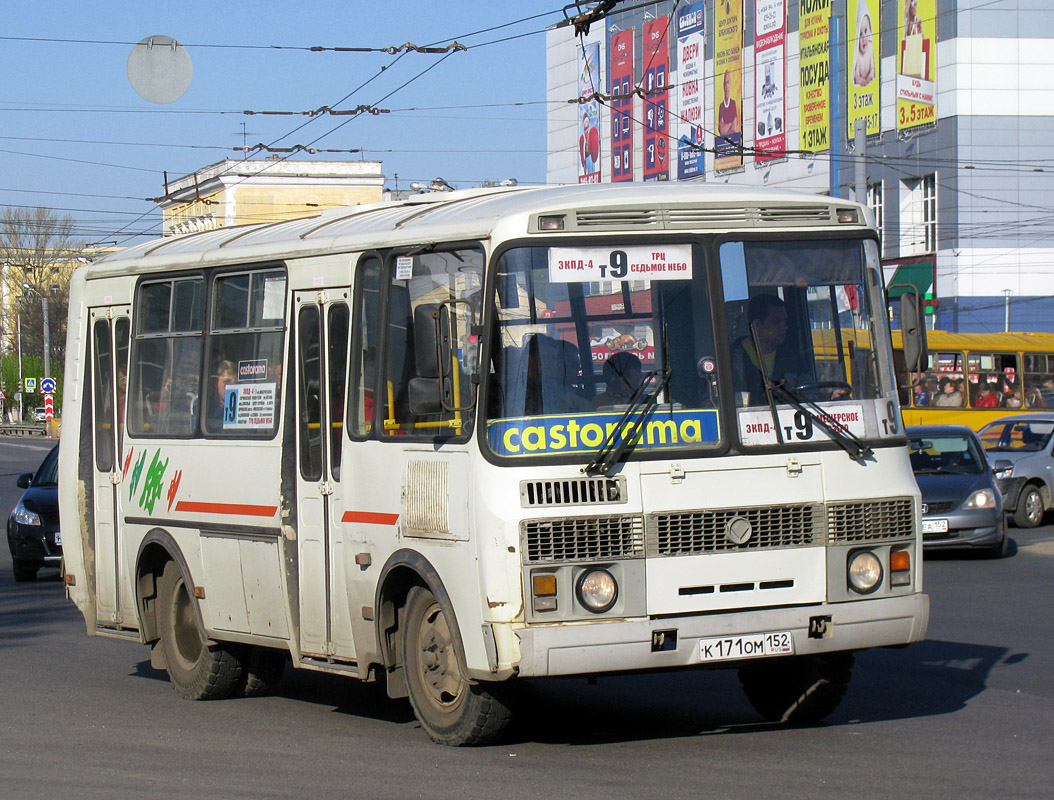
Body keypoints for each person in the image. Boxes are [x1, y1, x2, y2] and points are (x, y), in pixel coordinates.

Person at [730, 294, 810, 406]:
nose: (785, 327)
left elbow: (810, 396)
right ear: (757, 325)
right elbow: (711, 403)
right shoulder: (730, 361)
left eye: (785, 321)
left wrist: (830, 397)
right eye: (777, 321)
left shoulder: (793, 359)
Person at [207, 360, 237, 431]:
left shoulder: (243, 407)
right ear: (215, 384)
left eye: (236, 383)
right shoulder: (206, 408)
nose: (232, 387)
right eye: (227, 383)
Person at [852, 2, 876, 87]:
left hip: (870, 84)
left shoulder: (870, 48)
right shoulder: (858, 55)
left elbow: (873, 69)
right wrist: (862, 82)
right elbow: (856, 76)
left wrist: (869, 78)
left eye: (866, 31)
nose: (864, 38)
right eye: (860, 34)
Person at [717, 70, 739, 137]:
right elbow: (722, 131)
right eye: (725, 83)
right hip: (723, 143)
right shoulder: (721, 107)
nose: (726, 86)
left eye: (728, 82)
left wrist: (726, 126)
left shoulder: (733, 103)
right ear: (723, 85)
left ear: (730, 84)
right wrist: (730, 124)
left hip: (733, 141)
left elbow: (734, 129)